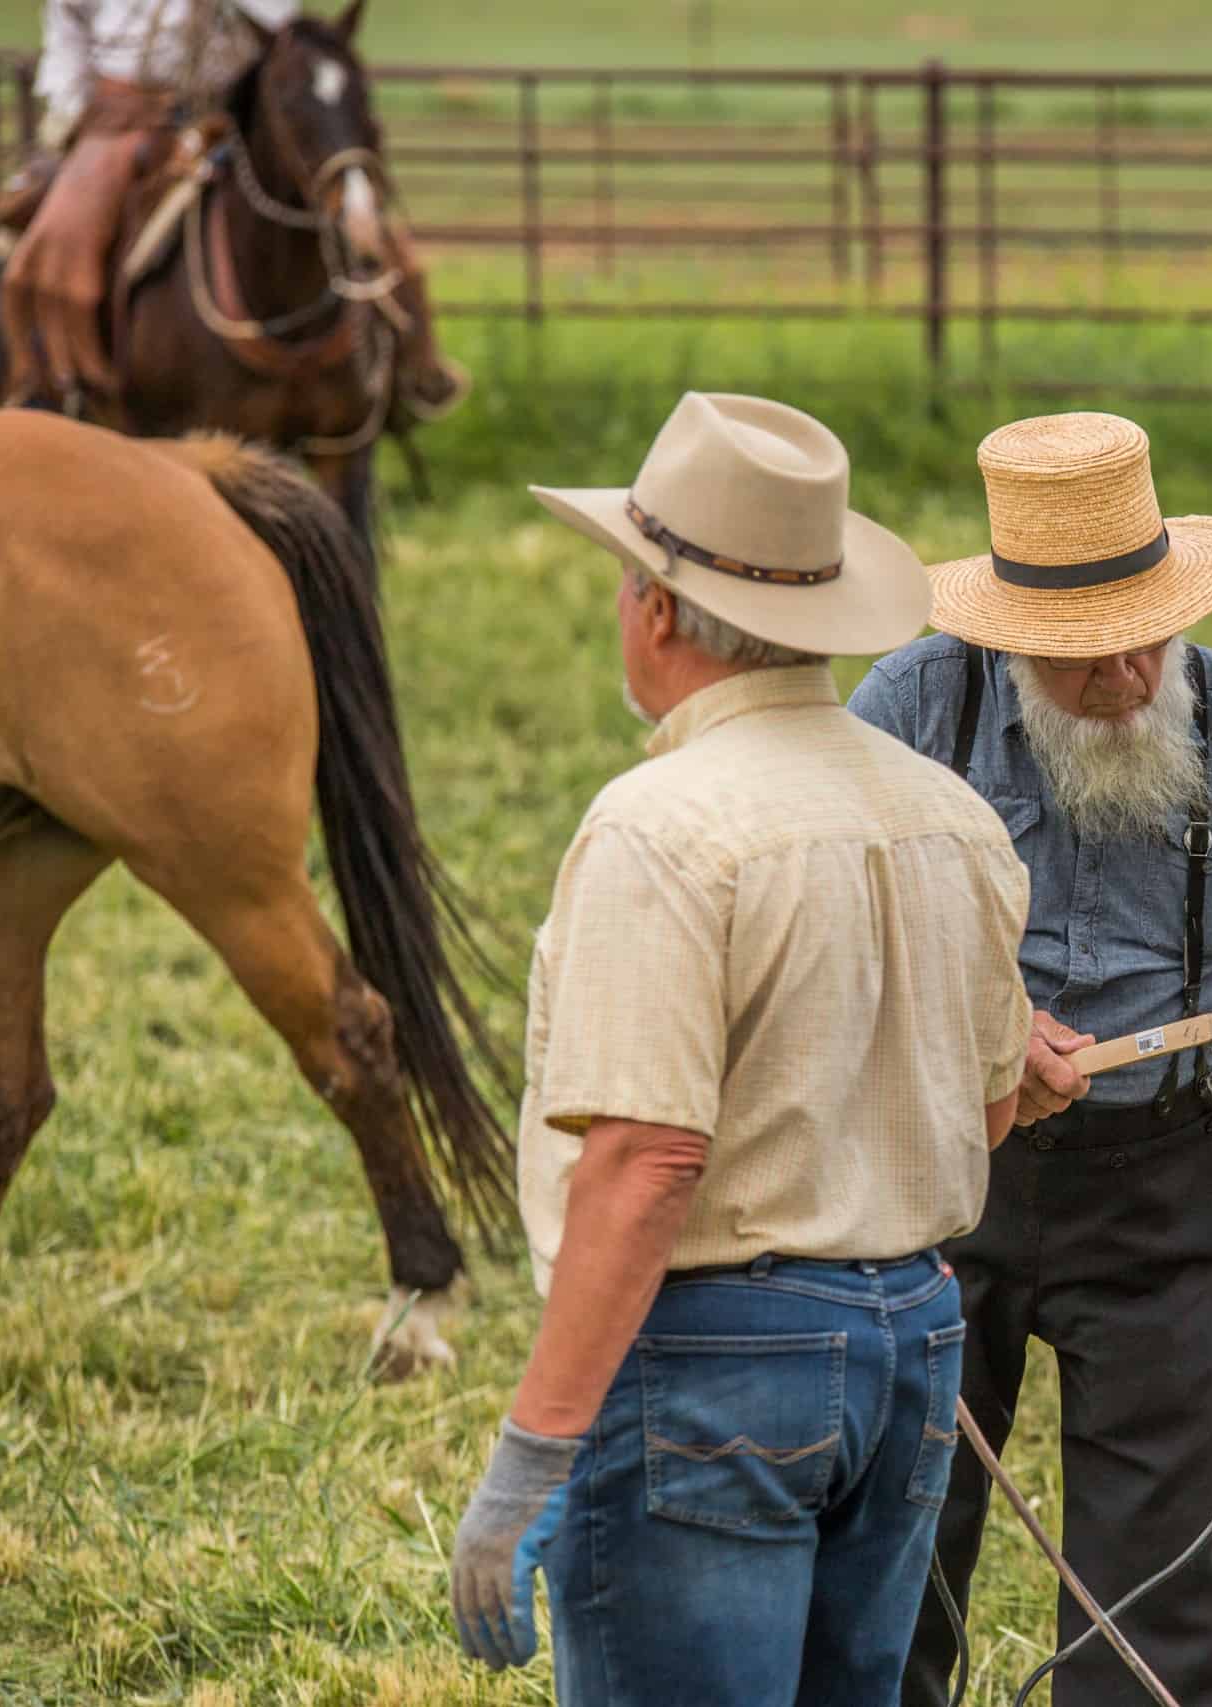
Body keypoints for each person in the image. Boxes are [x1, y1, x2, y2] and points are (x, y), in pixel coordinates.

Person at [447, 393, 1036, 1705]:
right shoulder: (953, 816)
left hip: (714, 1359)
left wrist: (535, 1447)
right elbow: (992, 1109)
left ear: (657, 611)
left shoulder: (659, 826)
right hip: (912, 1343)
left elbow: (647, 1159)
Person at [850, 411, 1212, 1705]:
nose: (1126, 674)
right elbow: (833, 934)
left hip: (1160, 1184)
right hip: (945, 1173)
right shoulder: (910, 712)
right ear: (1012, 636)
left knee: (1155, 1595)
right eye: (1084, 653)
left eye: (1147, 635)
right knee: (894, 1548)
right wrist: (983, 1030)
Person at [6, 0, 465, 417]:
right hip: (119, 117)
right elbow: (67, 24)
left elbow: (281, 29)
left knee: (363, 223)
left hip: (226, 114)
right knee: (61, 236)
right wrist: (76, 106)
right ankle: (61, 383)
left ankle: (408, 370)